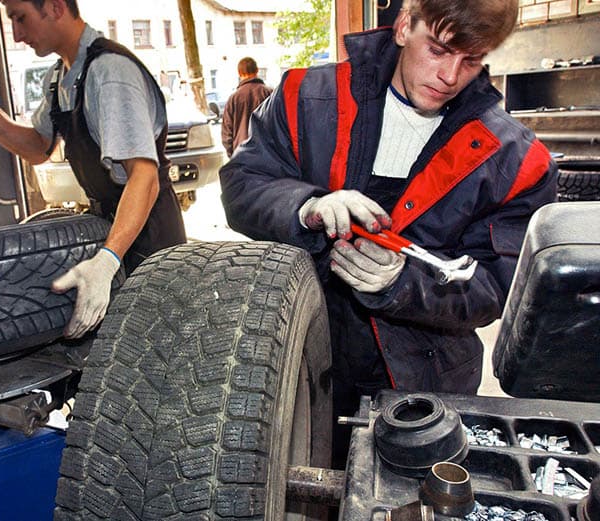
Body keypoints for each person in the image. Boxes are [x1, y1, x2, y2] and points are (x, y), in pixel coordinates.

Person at [219, 0, 557, 464]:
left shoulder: (514, 159)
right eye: (438, 50)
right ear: (403, 26)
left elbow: (495, 287)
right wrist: (308, 205)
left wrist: (402, 285)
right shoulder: (306, 98)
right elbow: (241, 187)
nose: (451, 76)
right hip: (300, 360)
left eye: (471, 59)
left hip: (425, 382)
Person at [0, 0, 186, 339]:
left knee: (156, 346)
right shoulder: (61, 77)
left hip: (151, 235)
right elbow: (37, 148)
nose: (17, 35)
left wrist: (108, 260)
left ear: (56, 7)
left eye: (21, 18)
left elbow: (144, 177)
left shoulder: (109, 73)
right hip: (111, 226)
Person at [221, 57, 273, 157]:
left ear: (239, 73)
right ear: (257, 70)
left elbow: (227, 133)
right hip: (267, 155)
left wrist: (232, 155)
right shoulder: (270, 94)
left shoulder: (233, 98)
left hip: (241, 154)